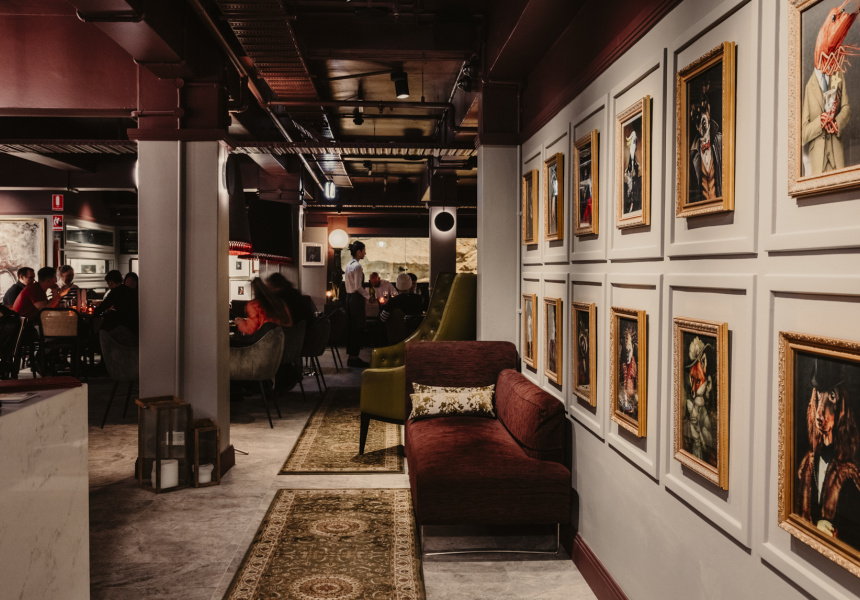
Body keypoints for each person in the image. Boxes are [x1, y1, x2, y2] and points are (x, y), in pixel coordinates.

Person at [797, 359, 860, 549]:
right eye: (818, 397)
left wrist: (835, 532)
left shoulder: (850, 475)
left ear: (841, 407)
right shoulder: (807, 464)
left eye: (831, 397)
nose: (819, 413)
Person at [344, 240, 369, 368]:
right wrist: (368, 297)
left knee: (351, 329)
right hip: (356, 299)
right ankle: (354, 358)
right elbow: (358, 286)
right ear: (359, 252)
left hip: (349, 299)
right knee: (358, 329)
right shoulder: (357, 266)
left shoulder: (348, 265)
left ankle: (351, 357)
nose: (365, 253)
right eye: (364, 250)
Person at [623, 129, 642, 214]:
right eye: (633, 142)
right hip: (630, 194)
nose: (635, 145)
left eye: (635, 142)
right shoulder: (628, 167)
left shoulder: (637, 164)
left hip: (635, 195)